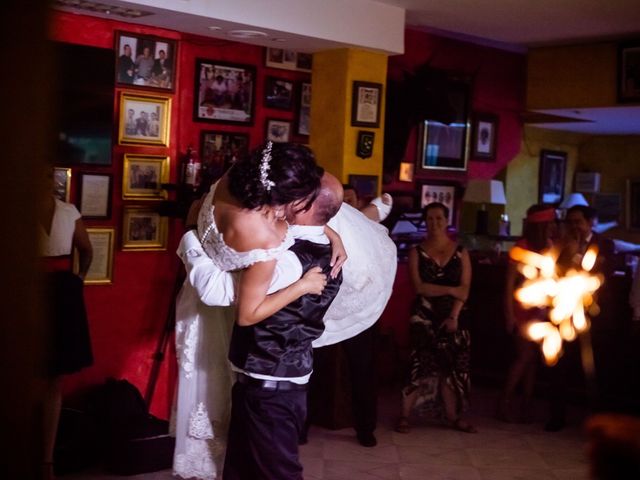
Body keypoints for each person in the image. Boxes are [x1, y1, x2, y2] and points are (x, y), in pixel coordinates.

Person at [172, 142, 346, 479]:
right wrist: (301, 285)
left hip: (249, 353)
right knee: (253, 462)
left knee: (244, 459)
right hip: (243, 331)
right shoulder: (266, 237)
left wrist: (329, 230)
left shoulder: (234, 179)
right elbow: (247, 312)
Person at [223, 173, 344, 480]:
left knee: (279, 473)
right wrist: (333, 233)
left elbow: (247, 314)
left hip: (268, 381)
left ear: (303, 204)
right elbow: (312, 222)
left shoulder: (287, 260)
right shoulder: (328, 250)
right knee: (243, 469)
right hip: (289, 374)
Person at [306, 184, 395, 447]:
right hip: (321, 305)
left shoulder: (359, 229)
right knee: (309, 367)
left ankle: (365, 427)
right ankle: (302, 425)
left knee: (362, 368)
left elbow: (381, 207)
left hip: (358, 305)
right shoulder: (321, 219)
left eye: (349, 200)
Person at [395, 202, 476, 434]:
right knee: (419, 364)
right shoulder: (417, 251)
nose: (434, 223)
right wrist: (451, 290)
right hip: (424, 316)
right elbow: (420, 288)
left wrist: (453, 315)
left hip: (456, 316)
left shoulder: (461, 252)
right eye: (430, 219)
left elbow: (465, 290)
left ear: (447, 221)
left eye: (439, 218)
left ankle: (453, 416)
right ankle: (405, 415)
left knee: (453, 367)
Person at [39, 167, 93, 480]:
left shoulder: (69, 211)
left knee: (54, 375)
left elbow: (86, 250)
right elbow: (85, 250)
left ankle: (46, 460)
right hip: (31, 289)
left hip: (60, 292)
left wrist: (78, 280)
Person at [497, 204, 557, 423]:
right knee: (525, 357)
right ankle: (505, 401)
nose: (554, 226)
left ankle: (526, 404)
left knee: (531, 360)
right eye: (550, 222)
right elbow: (509, 284)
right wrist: (509, 314)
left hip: (543, 310)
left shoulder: (551, 246)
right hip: (522, 308)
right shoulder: (521, 247)